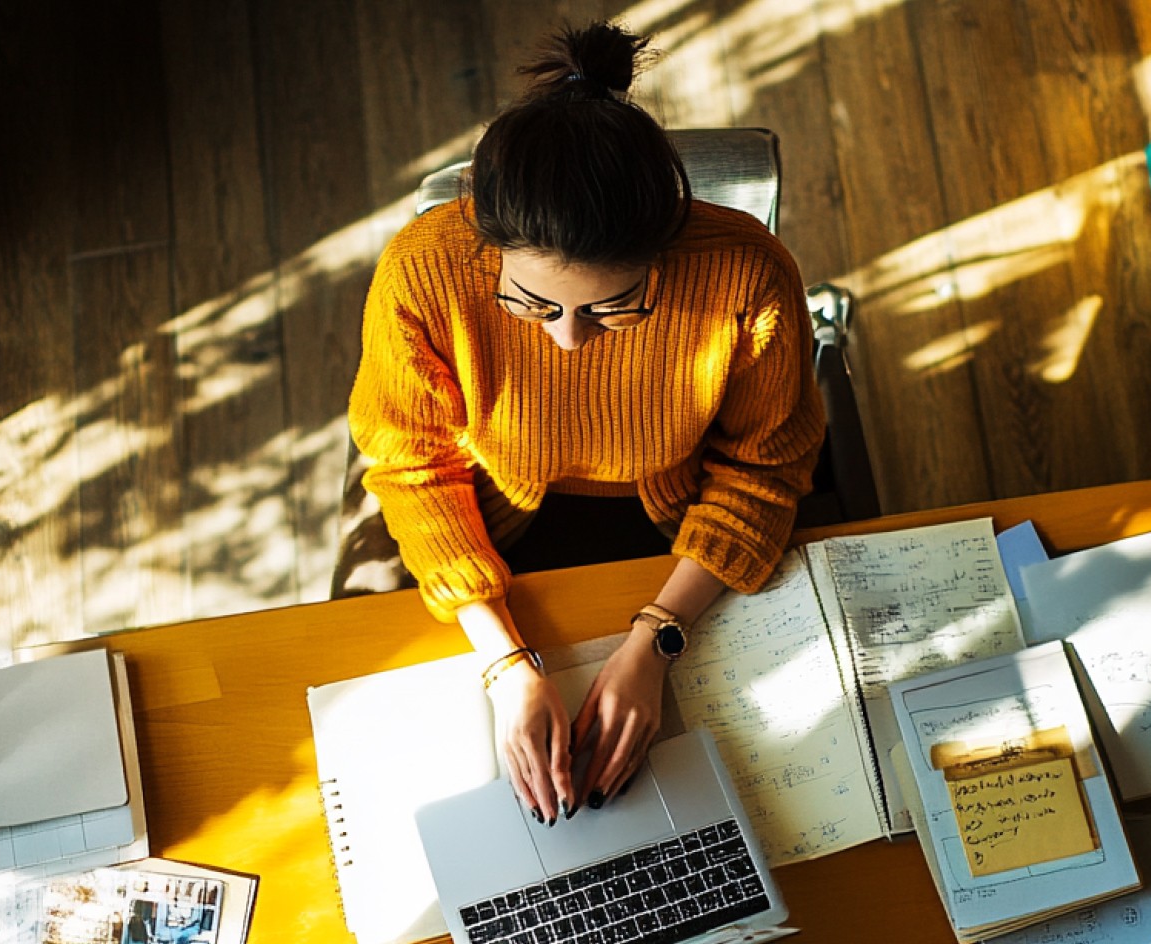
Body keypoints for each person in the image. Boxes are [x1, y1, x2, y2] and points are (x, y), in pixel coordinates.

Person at [341, 21, 824, 828]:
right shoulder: (423, 270)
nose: (568, 339)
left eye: (615, 307)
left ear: (663, 251)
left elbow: (764, 470)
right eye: (530, 305)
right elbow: (412, 469)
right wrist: (504, 664)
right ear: (484, 244)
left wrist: (658, 639)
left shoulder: (747, 273)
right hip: (488, 510)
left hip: (688, 511)